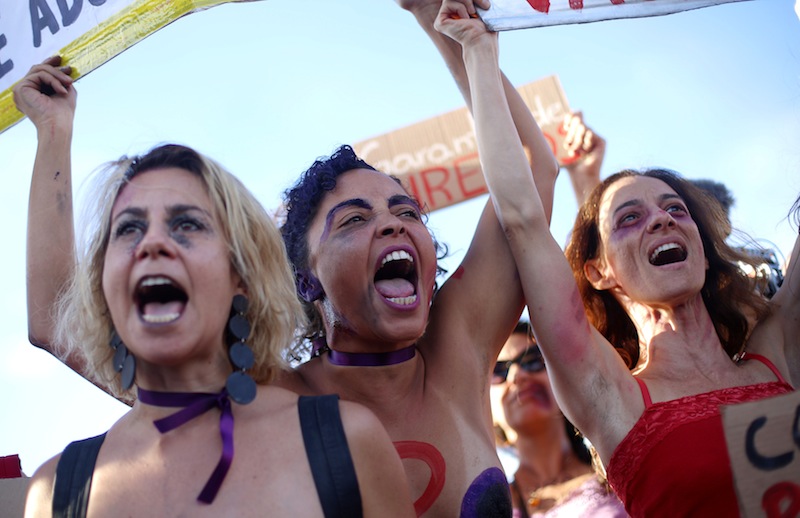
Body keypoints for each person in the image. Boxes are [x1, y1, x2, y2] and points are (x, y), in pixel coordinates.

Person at [21, 16, 560, 513]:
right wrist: (53, 133)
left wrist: (440, 27)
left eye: (406, 212)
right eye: (353, 220)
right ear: (305, 277)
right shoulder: (263, 395)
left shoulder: (461, 344)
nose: (392, 225)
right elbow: (56, 319)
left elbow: (532, 172)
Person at [435, 3, 798, 516]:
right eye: (629, 218)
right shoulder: (613, 397)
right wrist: (476, 50)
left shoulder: (777, 349)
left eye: (675, 208)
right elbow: (520, 212)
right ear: (598, 270)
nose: (662, 220)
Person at [16, 58, 415, 517]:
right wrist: (52, 132)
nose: (153, 244)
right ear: (102, 288)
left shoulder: (346, 442)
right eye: (127, 229)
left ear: (241, 277)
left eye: (187, 224)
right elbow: (53, 315)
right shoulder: (57, 491)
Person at [491, 321, 627, 517]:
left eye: (532, 360)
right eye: (499, 371)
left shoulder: (617, 473)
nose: (517, 375)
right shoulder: (489, 509)